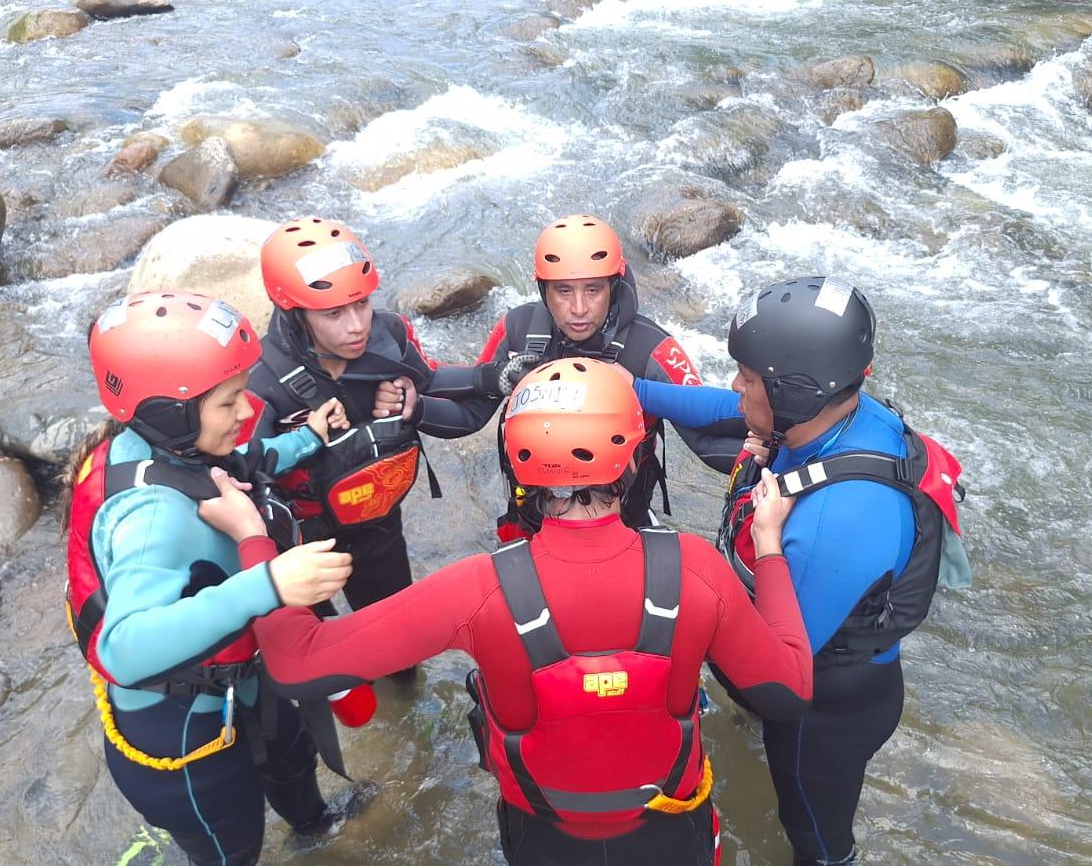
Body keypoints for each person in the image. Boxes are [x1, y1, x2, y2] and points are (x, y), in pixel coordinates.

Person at [217, 358, 816, 865]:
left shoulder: (478, 588)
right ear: (632, 461)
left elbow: (297, 663)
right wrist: (767, 548)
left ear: (520, 467)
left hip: (544, 835)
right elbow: (789, 689)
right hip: (671, 829)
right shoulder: (695, 571)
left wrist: (256, 543)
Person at [625, 277, 968, 865]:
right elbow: (723, 406)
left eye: (748, 376)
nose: (736, 385)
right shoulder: (839, 417)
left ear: (795, 392)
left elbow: (776, 672)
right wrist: (628, 389)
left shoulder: (840, 518)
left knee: (814, 837)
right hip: (834, 663)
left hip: (824, 714)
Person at [64, 290, 358, 865]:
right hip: (182, 739)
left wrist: (309, 437)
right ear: (170, 413)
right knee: (234, 850)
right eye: (229, 403)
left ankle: (317, 833)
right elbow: (124, 649)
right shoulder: (152, 517)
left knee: (294, 768)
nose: (248, 411)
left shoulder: (166, 446)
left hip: (238, 684)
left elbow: (238, 466)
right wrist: (269, 585)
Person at [421, 214, 746, 542]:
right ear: (543, 289)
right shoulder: (517, 330)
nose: (578, 308)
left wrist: (785, 451)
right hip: (535, 515)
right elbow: (469, 416)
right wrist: (411, 408)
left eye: (592, 289)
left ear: (613, 286)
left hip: (622, 517)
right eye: (563, 291)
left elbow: (706, 439)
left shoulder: (651, 347)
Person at [249, 217, 483, 631]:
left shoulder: (387, 335)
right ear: (296, 313)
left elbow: (434, 384)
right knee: (321, 662)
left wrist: (419, 403)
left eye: (362, 304)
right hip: (299, 546)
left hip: (376, 526)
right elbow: (241, 477)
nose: (357, 326)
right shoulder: (261, 380)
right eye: (334, 313)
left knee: (399, 642)